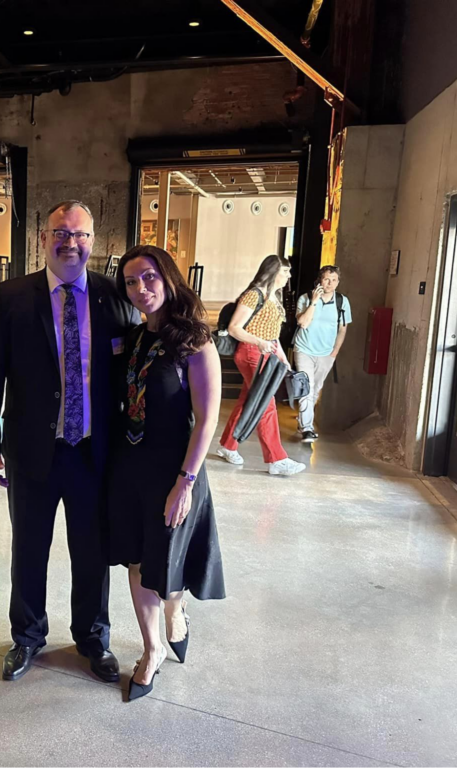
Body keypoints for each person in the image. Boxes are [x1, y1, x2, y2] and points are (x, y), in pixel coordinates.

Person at [0, 201, 140, 683]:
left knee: (92, 552)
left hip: (94, 453)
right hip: (30, 452)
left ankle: (92, 638)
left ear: (94, 239)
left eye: (80, 234)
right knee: (29, 548)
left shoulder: (115, 296)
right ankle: (26, 637)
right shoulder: (10, 297)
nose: (71, 242)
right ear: (43, 238)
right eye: (60, 233)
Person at [107, 245, 226, 701]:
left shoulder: (194, 341)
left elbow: (208, 419)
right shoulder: (134, 339)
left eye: (150, 277)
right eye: (132, 282)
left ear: (169, 278)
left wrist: (186, 482)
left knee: (166, 563)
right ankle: (152, 648)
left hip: (174, 470)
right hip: (130, 467)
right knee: (138, 560)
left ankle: (176, 615)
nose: (141, 289)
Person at [216, 255, 306, 476]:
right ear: (273, 272)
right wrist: (260, 342)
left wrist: (282, 357)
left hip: (266, 353)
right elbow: (235, 328)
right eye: (286, 271)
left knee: (247, 400)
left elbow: (272, 336)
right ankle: (276, 459)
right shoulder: (253, 295)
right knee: (266, 403)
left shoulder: (272, 297)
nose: (289, 276)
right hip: (251, 354)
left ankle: (227, 446)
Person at [293, 265, 350, 442]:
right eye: (326, 279)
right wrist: (314, 302)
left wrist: (335, 352)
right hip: (304, 349)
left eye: (334, 280)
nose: (330, 283)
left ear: (338, 282)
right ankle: (307, 428)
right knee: (306, 389)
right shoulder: (306, 298)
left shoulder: (342, 301)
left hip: (326, 352)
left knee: (315, 390)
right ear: (320, 280)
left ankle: (303, 421)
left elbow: (342, 329)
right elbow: (302, 323)